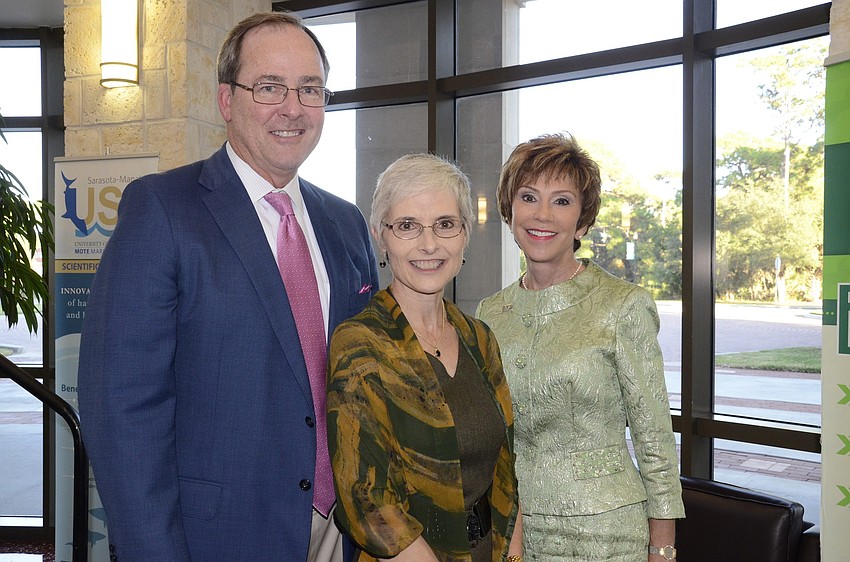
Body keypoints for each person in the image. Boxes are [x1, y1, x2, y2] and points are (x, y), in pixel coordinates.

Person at [77, 11, 378, 562]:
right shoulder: (162, 210)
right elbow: (120, 408)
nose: (293, 107)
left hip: (346, 533)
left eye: (310, 89)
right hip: (216, 537)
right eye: (270, 87)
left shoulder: (347, 223)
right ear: (226, 100)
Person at [476, 133, 685, 561]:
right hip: (513, 531)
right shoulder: (490, 312)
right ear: (510, 210)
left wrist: (662, 549)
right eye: (529, 197)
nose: (543, 215)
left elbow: (655, 439)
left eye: (563, 201)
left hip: (604, 533)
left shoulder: (622, 306)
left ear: (583, 222)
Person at [327, 154, 523, 562]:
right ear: (381, 237)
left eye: (445, 225)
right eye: (407, 226)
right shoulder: (360, 343)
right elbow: (366, 502)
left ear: (465, 234)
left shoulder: (480, 338)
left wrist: (515, 557)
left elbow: (506, 469)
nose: (429, 244)